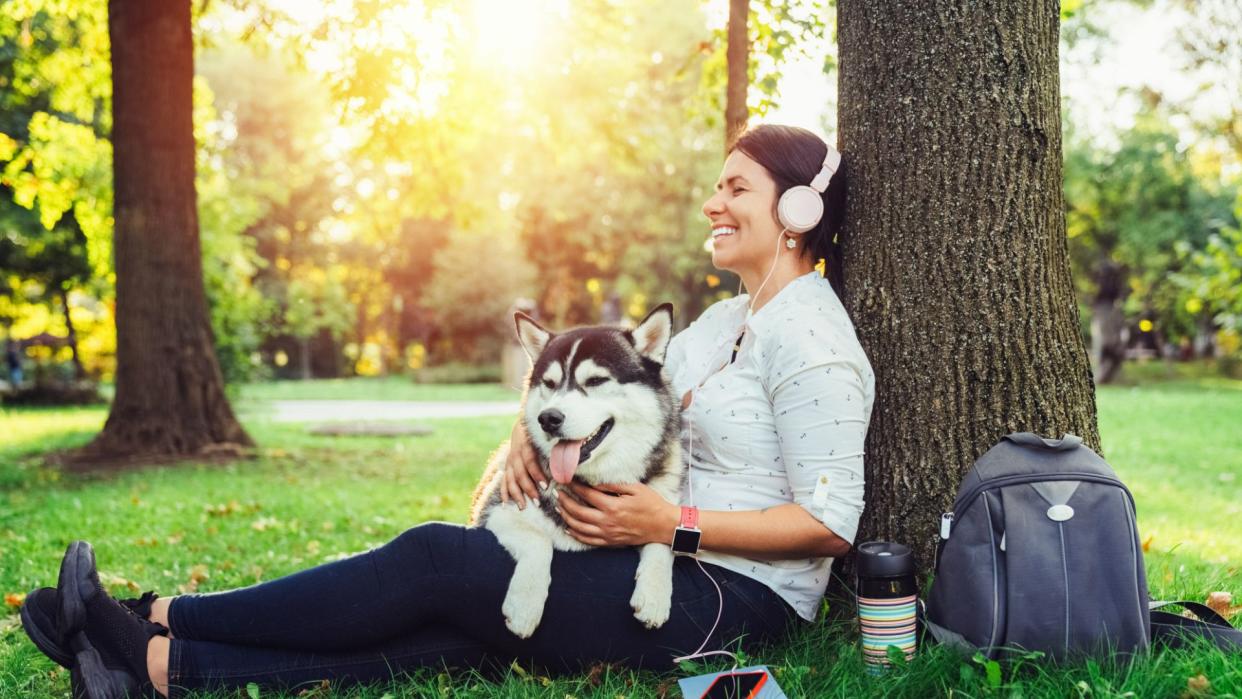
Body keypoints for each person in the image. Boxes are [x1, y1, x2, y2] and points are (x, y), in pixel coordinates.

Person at [21, 124, 875, 699]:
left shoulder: (813, 340)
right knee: (462, 630)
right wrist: (525, 428)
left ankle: (163, 617)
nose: (711, 203)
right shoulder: (723, 322)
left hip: (733, 596)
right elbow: (609, 380)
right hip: (651, 551)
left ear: (797, 211)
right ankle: (160, 668)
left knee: (439, 561)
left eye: (735, 187)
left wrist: (670, 522)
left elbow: (830, 523)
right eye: (715, 186)